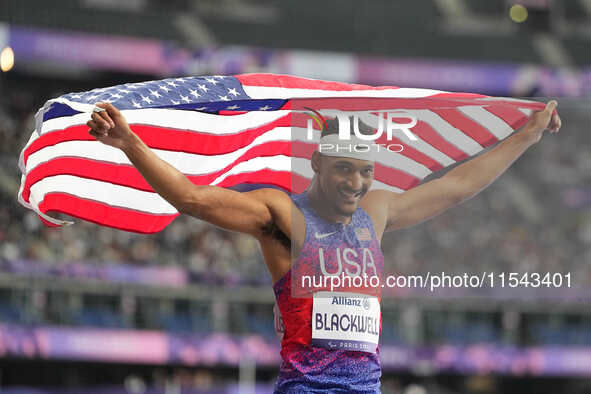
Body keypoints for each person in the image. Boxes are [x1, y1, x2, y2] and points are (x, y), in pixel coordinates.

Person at [87, 100, 561, 393]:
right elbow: (192, 198)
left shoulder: (376, 214)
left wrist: (527, 135)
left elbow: (458, 186)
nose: (356, 182)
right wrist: (130, 144)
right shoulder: (280, 214)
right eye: (343, 169)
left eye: (365, 171)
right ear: (316, 162)